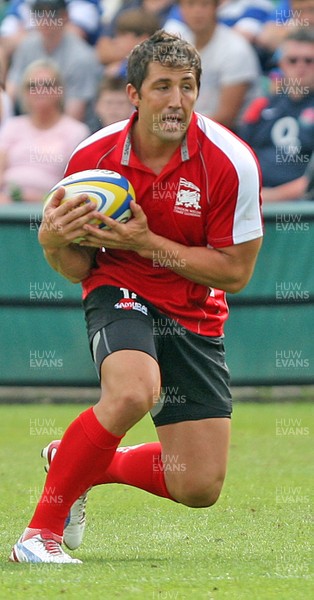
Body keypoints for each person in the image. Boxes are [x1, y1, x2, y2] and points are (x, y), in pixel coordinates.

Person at [10, 29, 263, 564]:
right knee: (131, 391)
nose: (176, 100)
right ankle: (38, 536)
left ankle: (79, 461)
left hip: (194, 309)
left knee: (198, 485)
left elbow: (235, 274)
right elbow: (74, 264)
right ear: (134, 94)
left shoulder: (231, 161)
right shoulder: (93, 157)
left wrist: (147, 241)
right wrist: (52, 241)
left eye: (188, 87)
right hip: (117, 284)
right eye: (163, 86)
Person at [0, 59, 89, 203]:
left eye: (47, 85)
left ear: (60, 91)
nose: (39, 91)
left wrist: (40, 199)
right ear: (24, 92)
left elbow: (77, 186)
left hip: (53, 208)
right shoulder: (12, 126)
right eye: (32, 85)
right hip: (7, 204)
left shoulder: (76, 132)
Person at [164, 0, 262, 130]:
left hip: (228, 134)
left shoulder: (236, 49)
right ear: (180, 10)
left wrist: (177, 129)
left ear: (216, 8)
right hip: (187, 127)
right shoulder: (179, 44)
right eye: (190, 4)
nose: (197, 11)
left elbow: (227, 117)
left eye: (204, 4)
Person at [238, 28, 314, 194]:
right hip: (253, 197)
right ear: (281, 64)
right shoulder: (262, 106)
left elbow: (310, 183)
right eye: (293, 60)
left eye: (309, 60)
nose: (301, 66)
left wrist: (267, 198)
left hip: (302, 209)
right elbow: (240, 157)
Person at [5, 0, 102, 127]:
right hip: (30, 121)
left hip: (74, 128)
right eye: (39, 13)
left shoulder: (82, 56)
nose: (45, 20)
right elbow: (11, 92)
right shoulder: (26, 45)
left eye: (52, 14)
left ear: (65, 16)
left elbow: (74, 115)